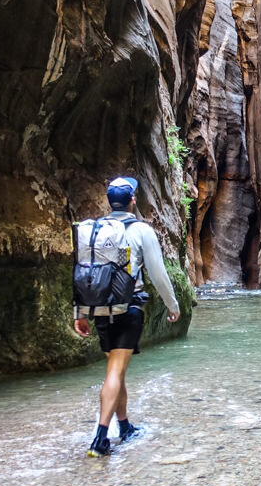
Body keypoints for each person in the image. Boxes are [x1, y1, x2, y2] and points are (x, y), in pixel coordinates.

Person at [72, 176, 181, 457]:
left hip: (100, 310)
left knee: (116, 371)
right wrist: (173, 304)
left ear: (110, 202)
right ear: (133, 200)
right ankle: (101, 437)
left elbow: (85, 273)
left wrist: (80, 313)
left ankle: (124, 425)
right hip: (128, 308)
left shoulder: (97, 230)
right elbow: (157, 272)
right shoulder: (141, 230)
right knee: (115, 372)